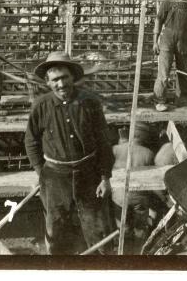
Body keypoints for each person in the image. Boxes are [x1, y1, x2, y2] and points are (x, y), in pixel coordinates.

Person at [24, 51, 115, 255]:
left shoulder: (89, 103)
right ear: (48, 82)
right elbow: (31, 141)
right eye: (55, 79)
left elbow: (103, 142)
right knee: (56, 228)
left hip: (88, 174)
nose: (61, 84)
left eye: (65, 77)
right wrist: (42, 174)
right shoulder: (41, 106)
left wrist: (105, 177)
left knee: (97, 227)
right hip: (55, 177)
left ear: (73, 77)